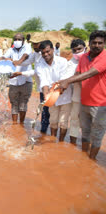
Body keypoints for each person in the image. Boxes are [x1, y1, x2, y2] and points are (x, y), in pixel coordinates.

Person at [58, 31, 106, 159]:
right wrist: (63, 83)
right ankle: (85, 159)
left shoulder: (105, 57)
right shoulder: (84, 57)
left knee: (97, 133)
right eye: (94, 42)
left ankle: (92, 160)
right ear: (89, 43)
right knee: (85, 132)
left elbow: (91, 73)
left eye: (100, 43)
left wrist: (67, 81)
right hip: (84, 101)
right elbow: (78, 75)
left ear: (104, 44)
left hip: (101, 105)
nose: (97, 45)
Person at [11, 37, 50, 133]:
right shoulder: (35, 54)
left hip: (50, 88)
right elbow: (26, 62)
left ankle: (50, 136)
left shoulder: (46, 55)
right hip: (42, 88)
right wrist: (14, 63)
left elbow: (36, 71)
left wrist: (21, 73)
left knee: (51, 112)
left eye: (37, 43)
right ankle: (43, 132)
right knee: (44, 112)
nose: (35, 46)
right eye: (33, 44)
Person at [36, 40, 72, 141]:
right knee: (53, 120)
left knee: (63, 122)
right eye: (43, 53)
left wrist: (55, 89)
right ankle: (52, 142)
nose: (46, 54)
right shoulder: (40, 64)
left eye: (48, 51)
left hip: (65, 96)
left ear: (52, 49)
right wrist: (45, 95)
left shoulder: (62, 61)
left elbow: (64, 79)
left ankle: (60, 142)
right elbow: (43, 81)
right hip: (51, 97)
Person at [0, 33, 32, 124]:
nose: (17, 41)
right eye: (15, 39)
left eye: (19, 39)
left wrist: (18, 62)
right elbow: (4, 57)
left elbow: (25, 55)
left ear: (23, 40)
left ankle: (21, 124)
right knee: (14, 103)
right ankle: (15, 124)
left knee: (23, 103)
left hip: (25, 80)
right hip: (13, 81)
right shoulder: (11, 50)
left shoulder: (27, 47)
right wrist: (0, 60)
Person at [67, 39, 86, 144]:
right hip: (77, 96)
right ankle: (72, 144)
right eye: (74, 50)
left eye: (79, 49)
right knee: (74, 120)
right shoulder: (71, 63)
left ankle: (87, 146)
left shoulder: (91, 59)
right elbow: (67, 78)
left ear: (85, 48)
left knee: (89, 123)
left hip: (91, 98)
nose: (77, 52)